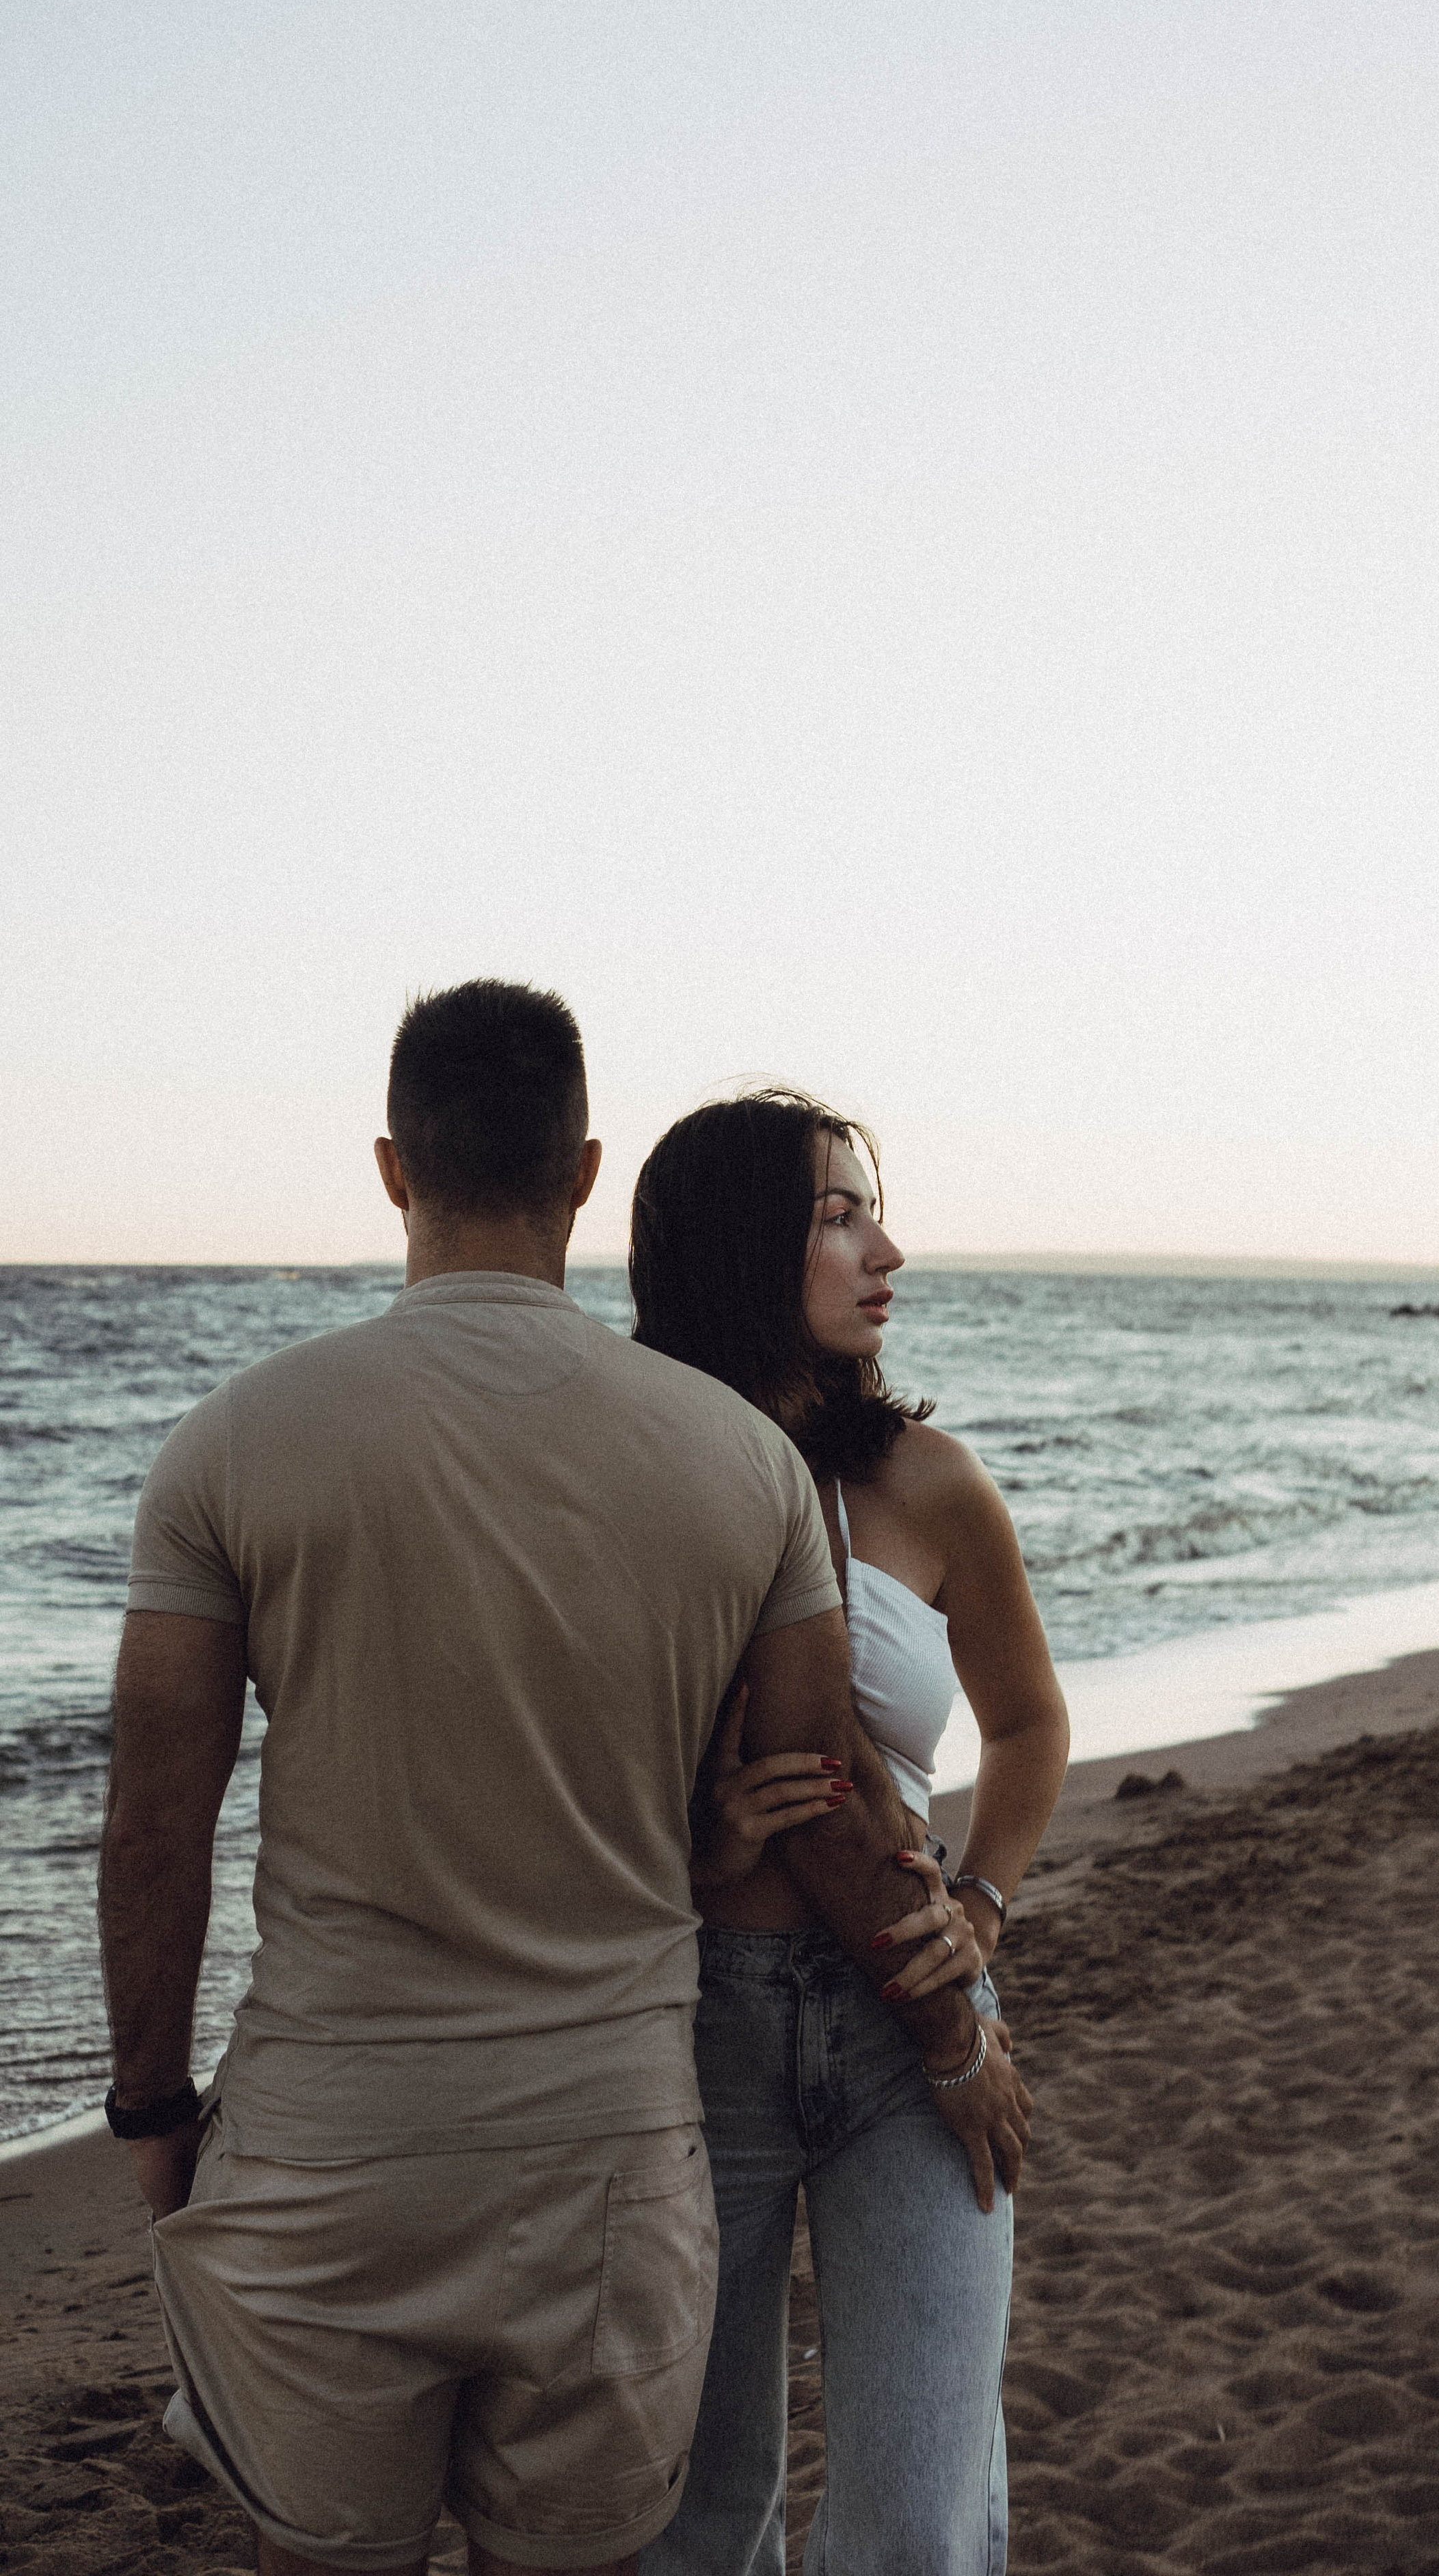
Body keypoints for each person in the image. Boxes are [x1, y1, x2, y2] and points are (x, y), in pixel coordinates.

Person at [100, 982, 1021, 2576]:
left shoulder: (228, 1445)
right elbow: (825, 1778)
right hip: (614, 2145)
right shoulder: (736, 1466)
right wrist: (950, 2022)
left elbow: (154, 1829)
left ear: (394, 1170)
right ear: (583, 1174)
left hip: (329, 2145)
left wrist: (153, 2108)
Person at [632, 1090, 1071, 2576]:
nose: (884, 1246)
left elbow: (1026, 1727)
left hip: (912, 2029)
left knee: (915, 2519)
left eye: (870, 1207)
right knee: (696, 2517)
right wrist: (687, 1844)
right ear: (736, 1243)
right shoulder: (636, 1483)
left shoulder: (930, 1487)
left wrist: (985, 1909)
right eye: (834, 1213)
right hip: (697, 2025)